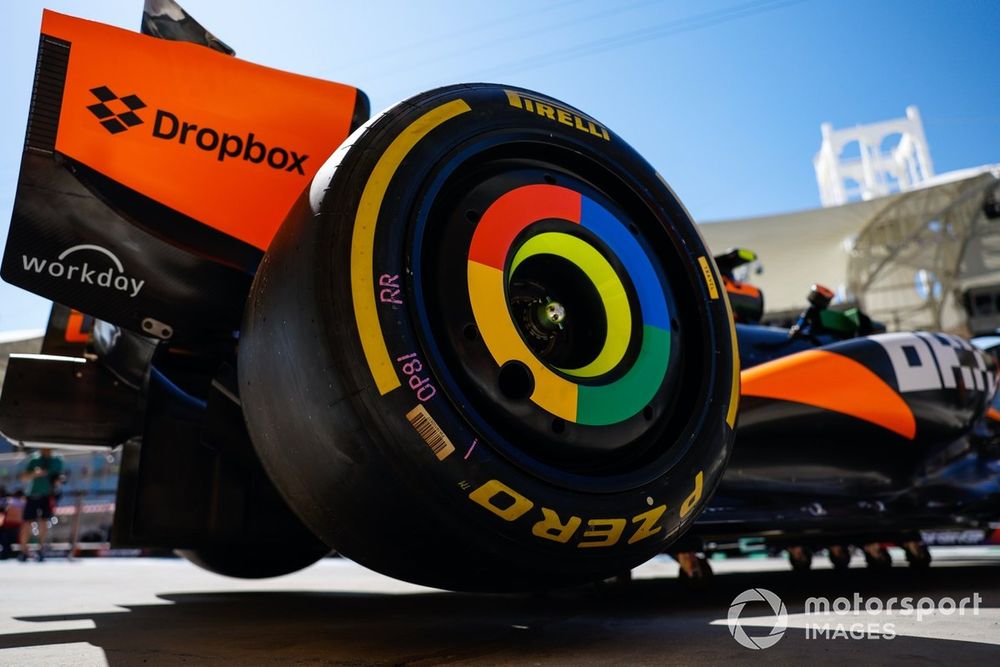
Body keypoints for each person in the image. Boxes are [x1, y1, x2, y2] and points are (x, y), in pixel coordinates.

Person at [18, 448, 65, 562]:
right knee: (27, 522)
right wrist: (35, 473)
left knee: (44, 522)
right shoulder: (34, 459)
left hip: (48, 495)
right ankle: (24, 550)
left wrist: (59, 480)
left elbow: (60, 477)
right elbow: (23, 478)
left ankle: (41, 549)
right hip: (33, 494)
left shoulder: (58, 460)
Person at [0, 488, 25, 560]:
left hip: (8, 529)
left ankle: (6, 553)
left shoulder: (8, 501)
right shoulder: (24, 503)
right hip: (18, 530)